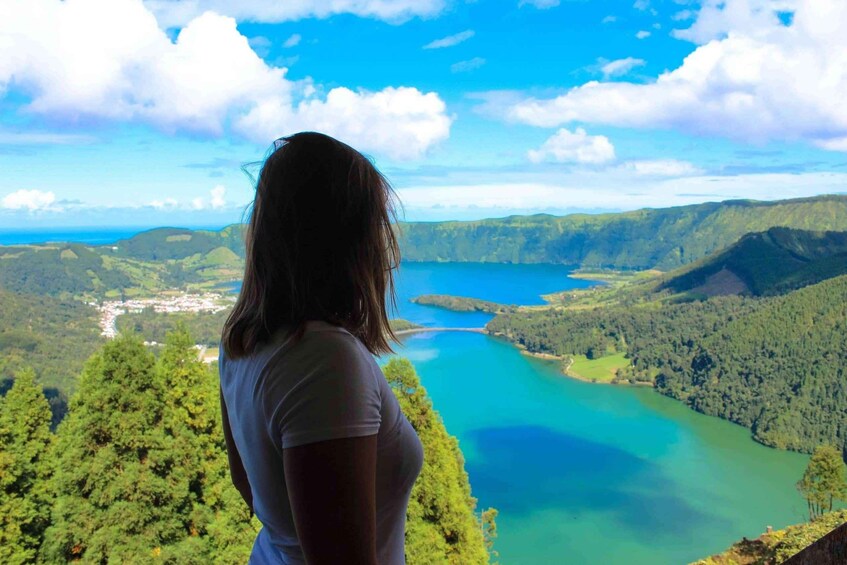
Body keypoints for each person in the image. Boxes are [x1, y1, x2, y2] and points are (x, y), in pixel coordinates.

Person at [218, 132, 424, 564]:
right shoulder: (326, 360)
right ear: (350, 238)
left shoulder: (240, 339)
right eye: (377, 224)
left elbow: (248, 487)